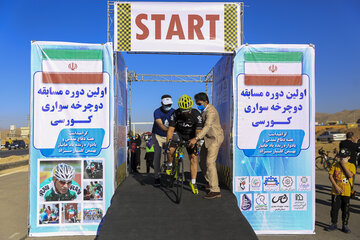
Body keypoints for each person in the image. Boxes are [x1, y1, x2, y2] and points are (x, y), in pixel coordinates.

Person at [189, 92, 224, 199]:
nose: (198, 105)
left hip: (215, 139)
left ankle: (215, 190)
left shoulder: (211, 111)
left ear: (206, 102)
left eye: (199, 103)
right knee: (202, 161)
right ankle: (210, 182)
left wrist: (196, 138)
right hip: (208, 139)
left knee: (210, 162)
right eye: (196, 104)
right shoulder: (203, 111)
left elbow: (207, 126)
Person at [166, 94, 203, 194]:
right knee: (171, 150)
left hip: (191, 135)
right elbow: (170, 130)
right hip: (179, 134)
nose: (186, 114)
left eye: (187, 111)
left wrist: (196, 142)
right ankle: (170, 164)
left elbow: (198, 132)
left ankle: (193, 182)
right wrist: (168, 143)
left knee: (193, 158)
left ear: (191, 108)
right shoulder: (175, 114)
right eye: (183, 112)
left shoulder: (197, 115)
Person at [326, 148, 356, 233]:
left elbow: (350, 175)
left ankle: (345, 225)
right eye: (341, 157)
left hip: (346, 191)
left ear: (348, 157)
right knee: (334, 209)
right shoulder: (335, 164)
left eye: (344, 157)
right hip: (336, 191)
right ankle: (333, 223)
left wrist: (344, 165)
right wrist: (336, 186)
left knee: (345, 209)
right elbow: (330, 176)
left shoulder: (351, 165)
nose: (342, 159)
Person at [152, 95, 175, 186]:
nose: (168, 106)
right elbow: (160, 124)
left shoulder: (174, 112)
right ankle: (157, 176)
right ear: (162, 103)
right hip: (158, 134)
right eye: (166, 104)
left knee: (172, 152)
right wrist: (169, 130)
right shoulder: (157, 111)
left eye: (169, 104)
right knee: (157, 154)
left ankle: (173, 173)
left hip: (169, 135)